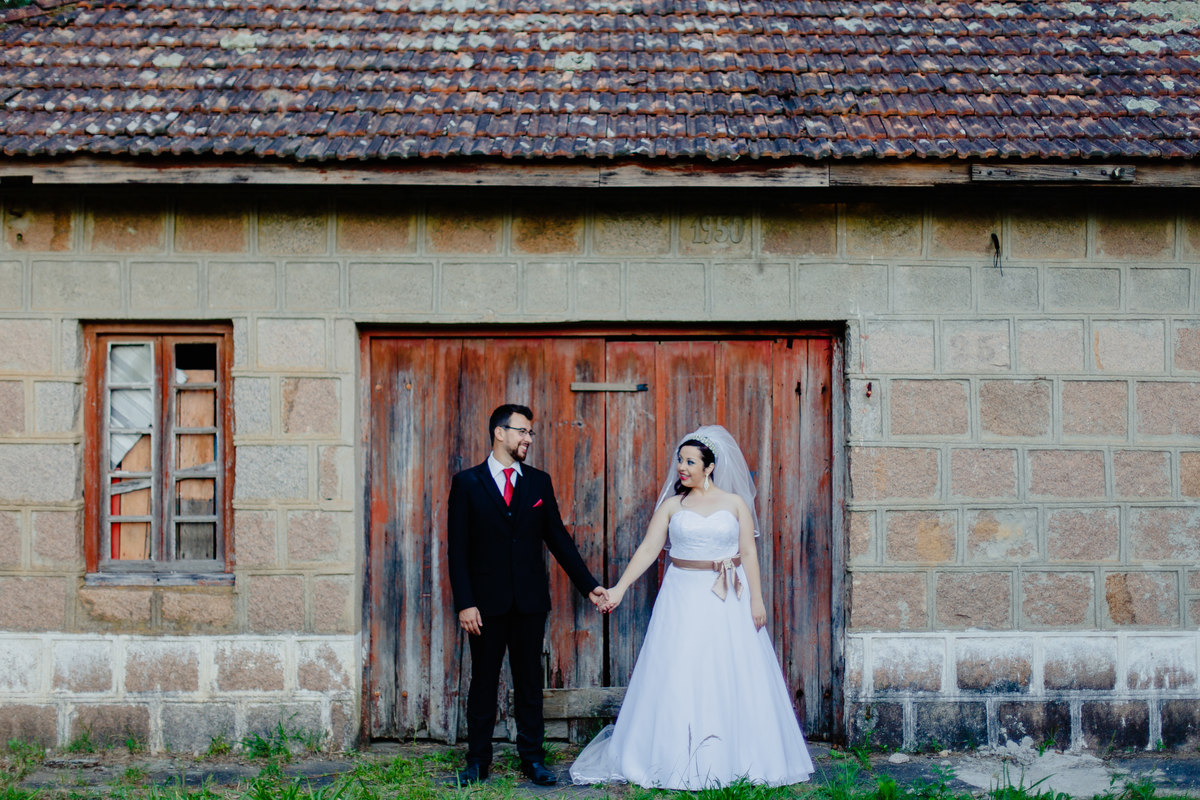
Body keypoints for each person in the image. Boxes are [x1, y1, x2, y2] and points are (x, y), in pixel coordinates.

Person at [569, 425, 814, 789]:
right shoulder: (672, 506)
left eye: (690, 462)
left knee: (730, 669)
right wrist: (618, 589)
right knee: (680, 668)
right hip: (682, 595)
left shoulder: (734, 504)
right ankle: (672, 758)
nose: (682, 467)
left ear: (709, 466)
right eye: (680, 461)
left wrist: (757, 600)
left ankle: (738, 759)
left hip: (730, 596)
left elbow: (748, 552)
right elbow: (650, 550)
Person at [448, 403, 608, 786]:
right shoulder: (467, 483)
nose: (528, 439)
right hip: (485, 606)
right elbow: (458, 549)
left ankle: (533, 759)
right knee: (483, 682)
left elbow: (558, 540)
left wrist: (590, 586)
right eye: (522, 431)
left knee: (529, 685)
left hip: (530, 603)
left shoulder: (538, 482)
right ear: (499, 433)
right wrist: (465, 602)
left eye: (531, 433)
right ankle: (477, 760)